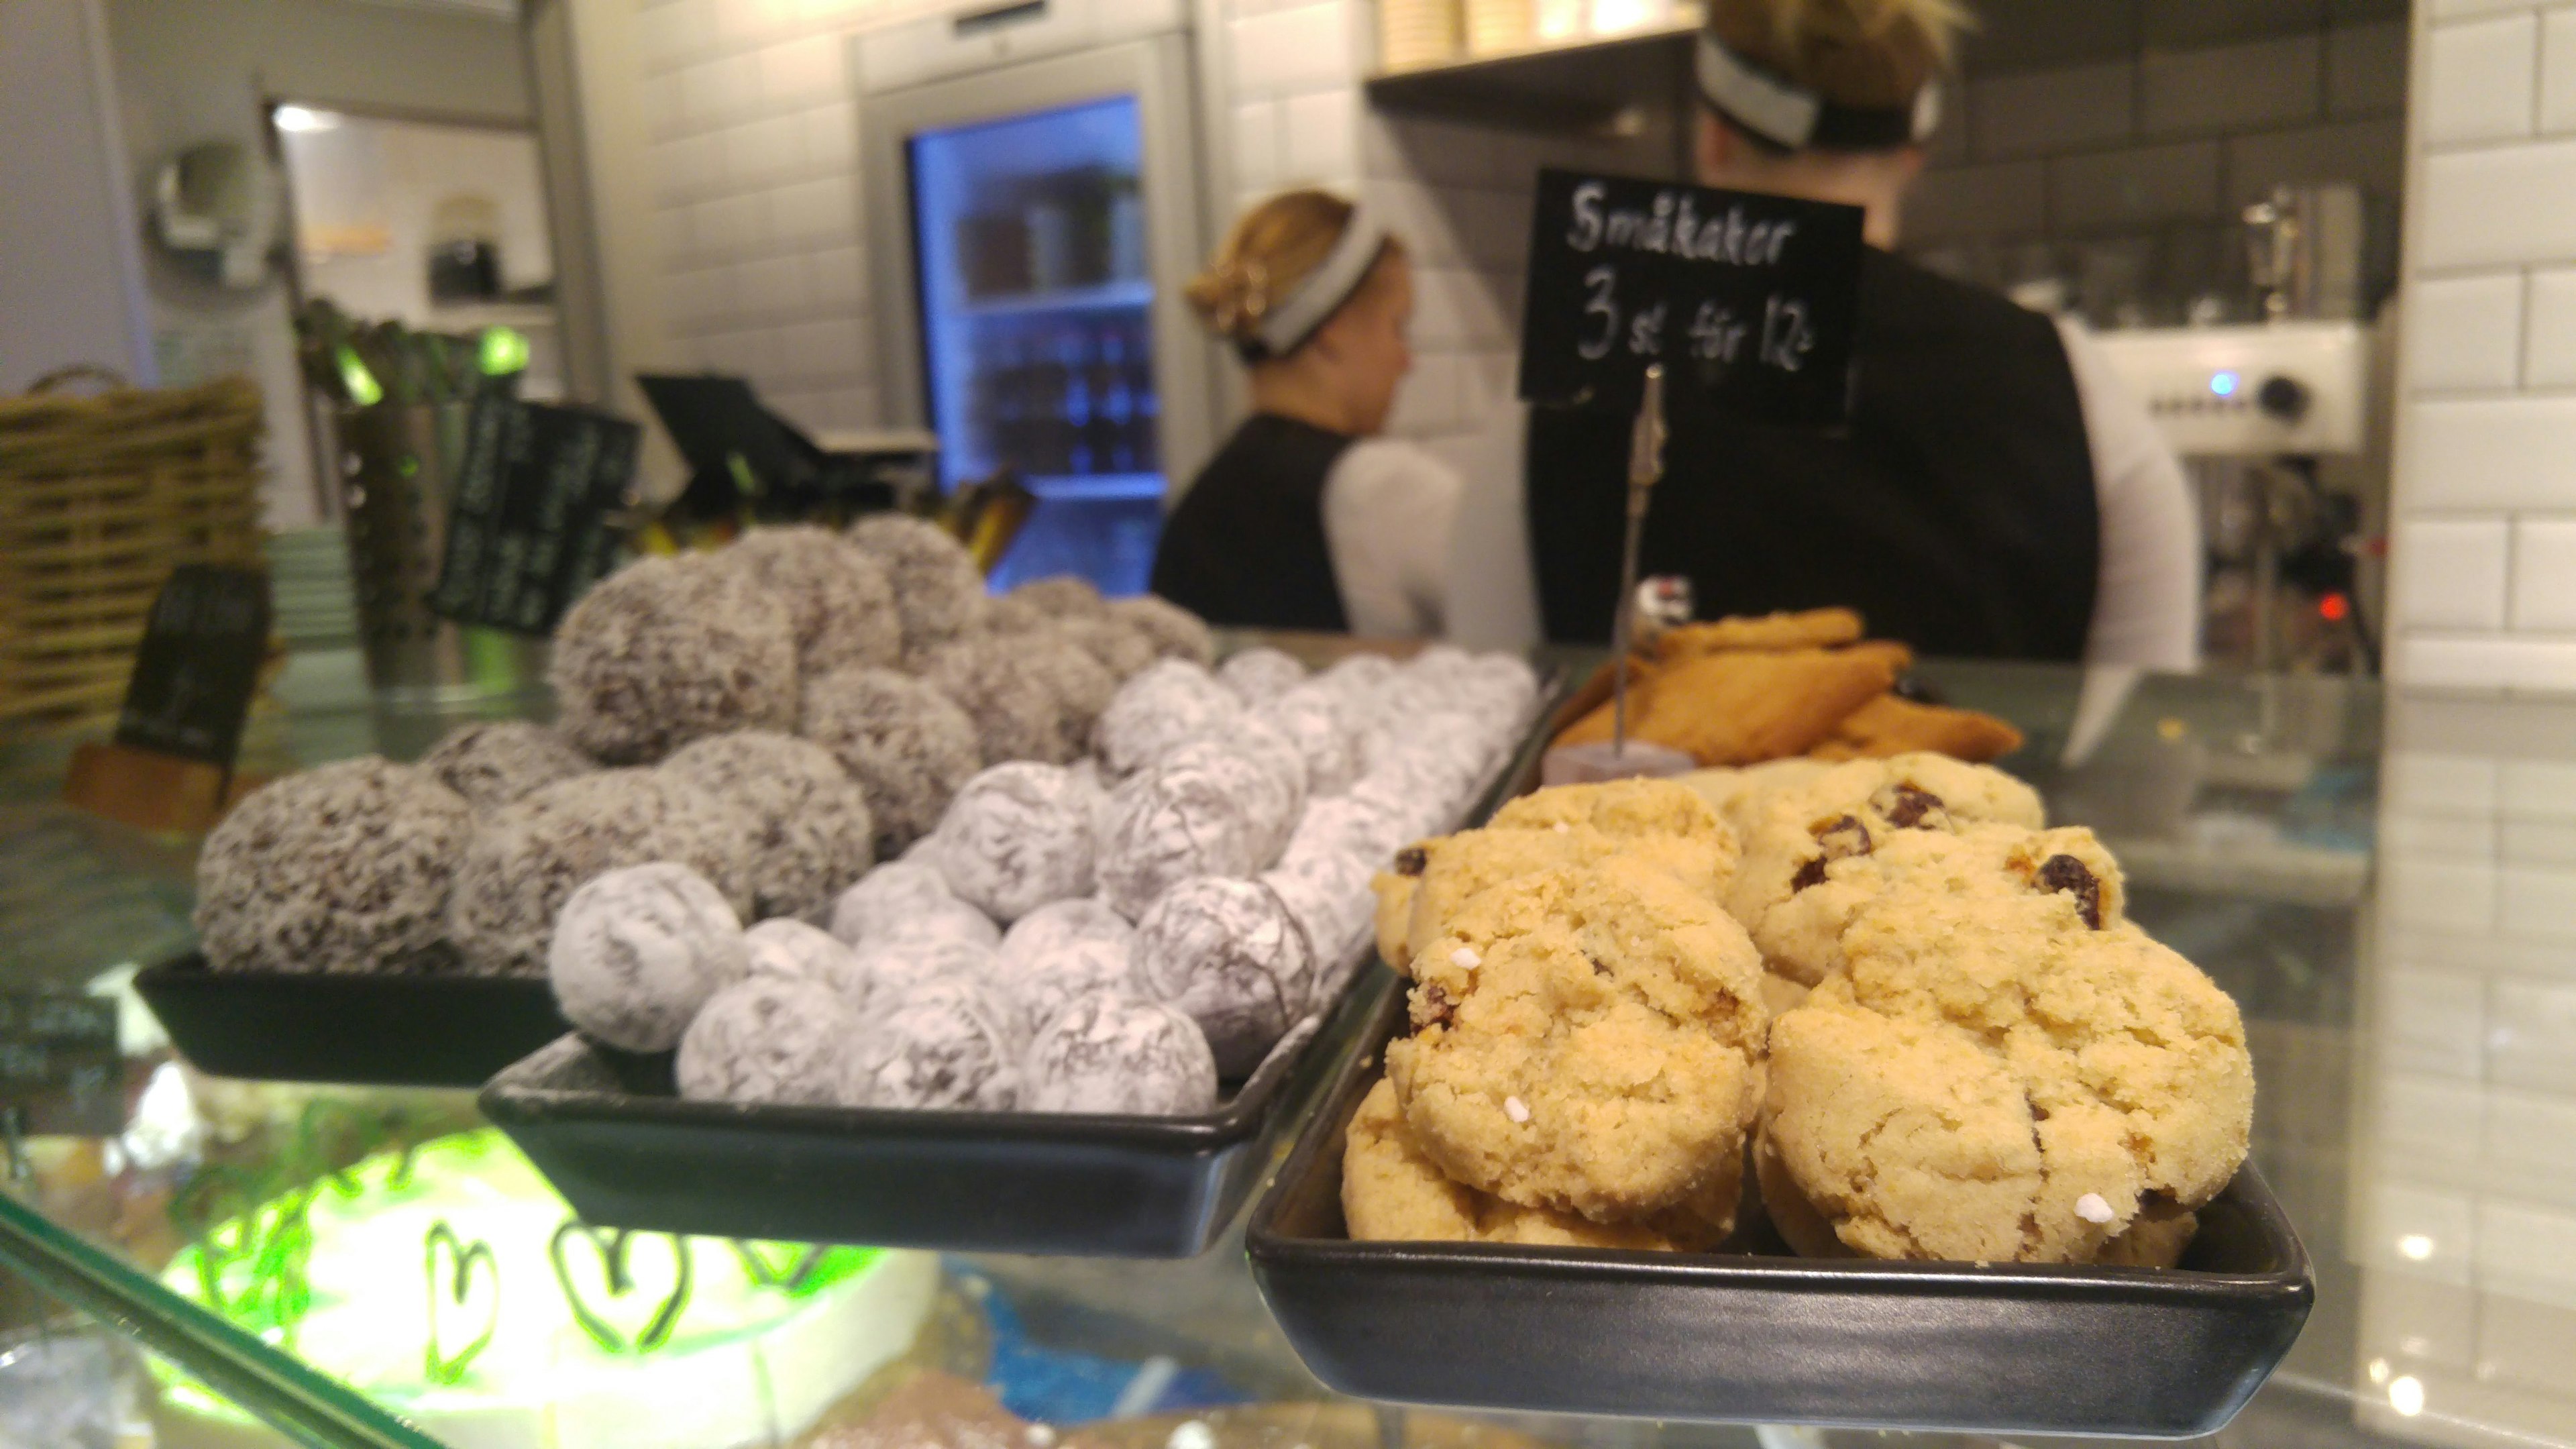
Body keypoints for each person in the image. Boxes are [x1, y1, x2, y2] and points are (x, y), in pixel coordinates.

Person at [1525, 0, 2200, 669]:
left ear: (1716, 137)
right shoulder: (2071, 383)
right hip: (1984, 782)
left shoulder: (1565, 375)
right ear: (1913, 152)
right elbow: (2140, 734)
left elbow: (1498, 705)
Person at [1153, 189, 1461, 636]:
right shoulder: (1382, 487)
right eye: (1397, 327)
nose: (1406, 360)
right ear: (1332, 331)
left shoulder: (1200, 503)